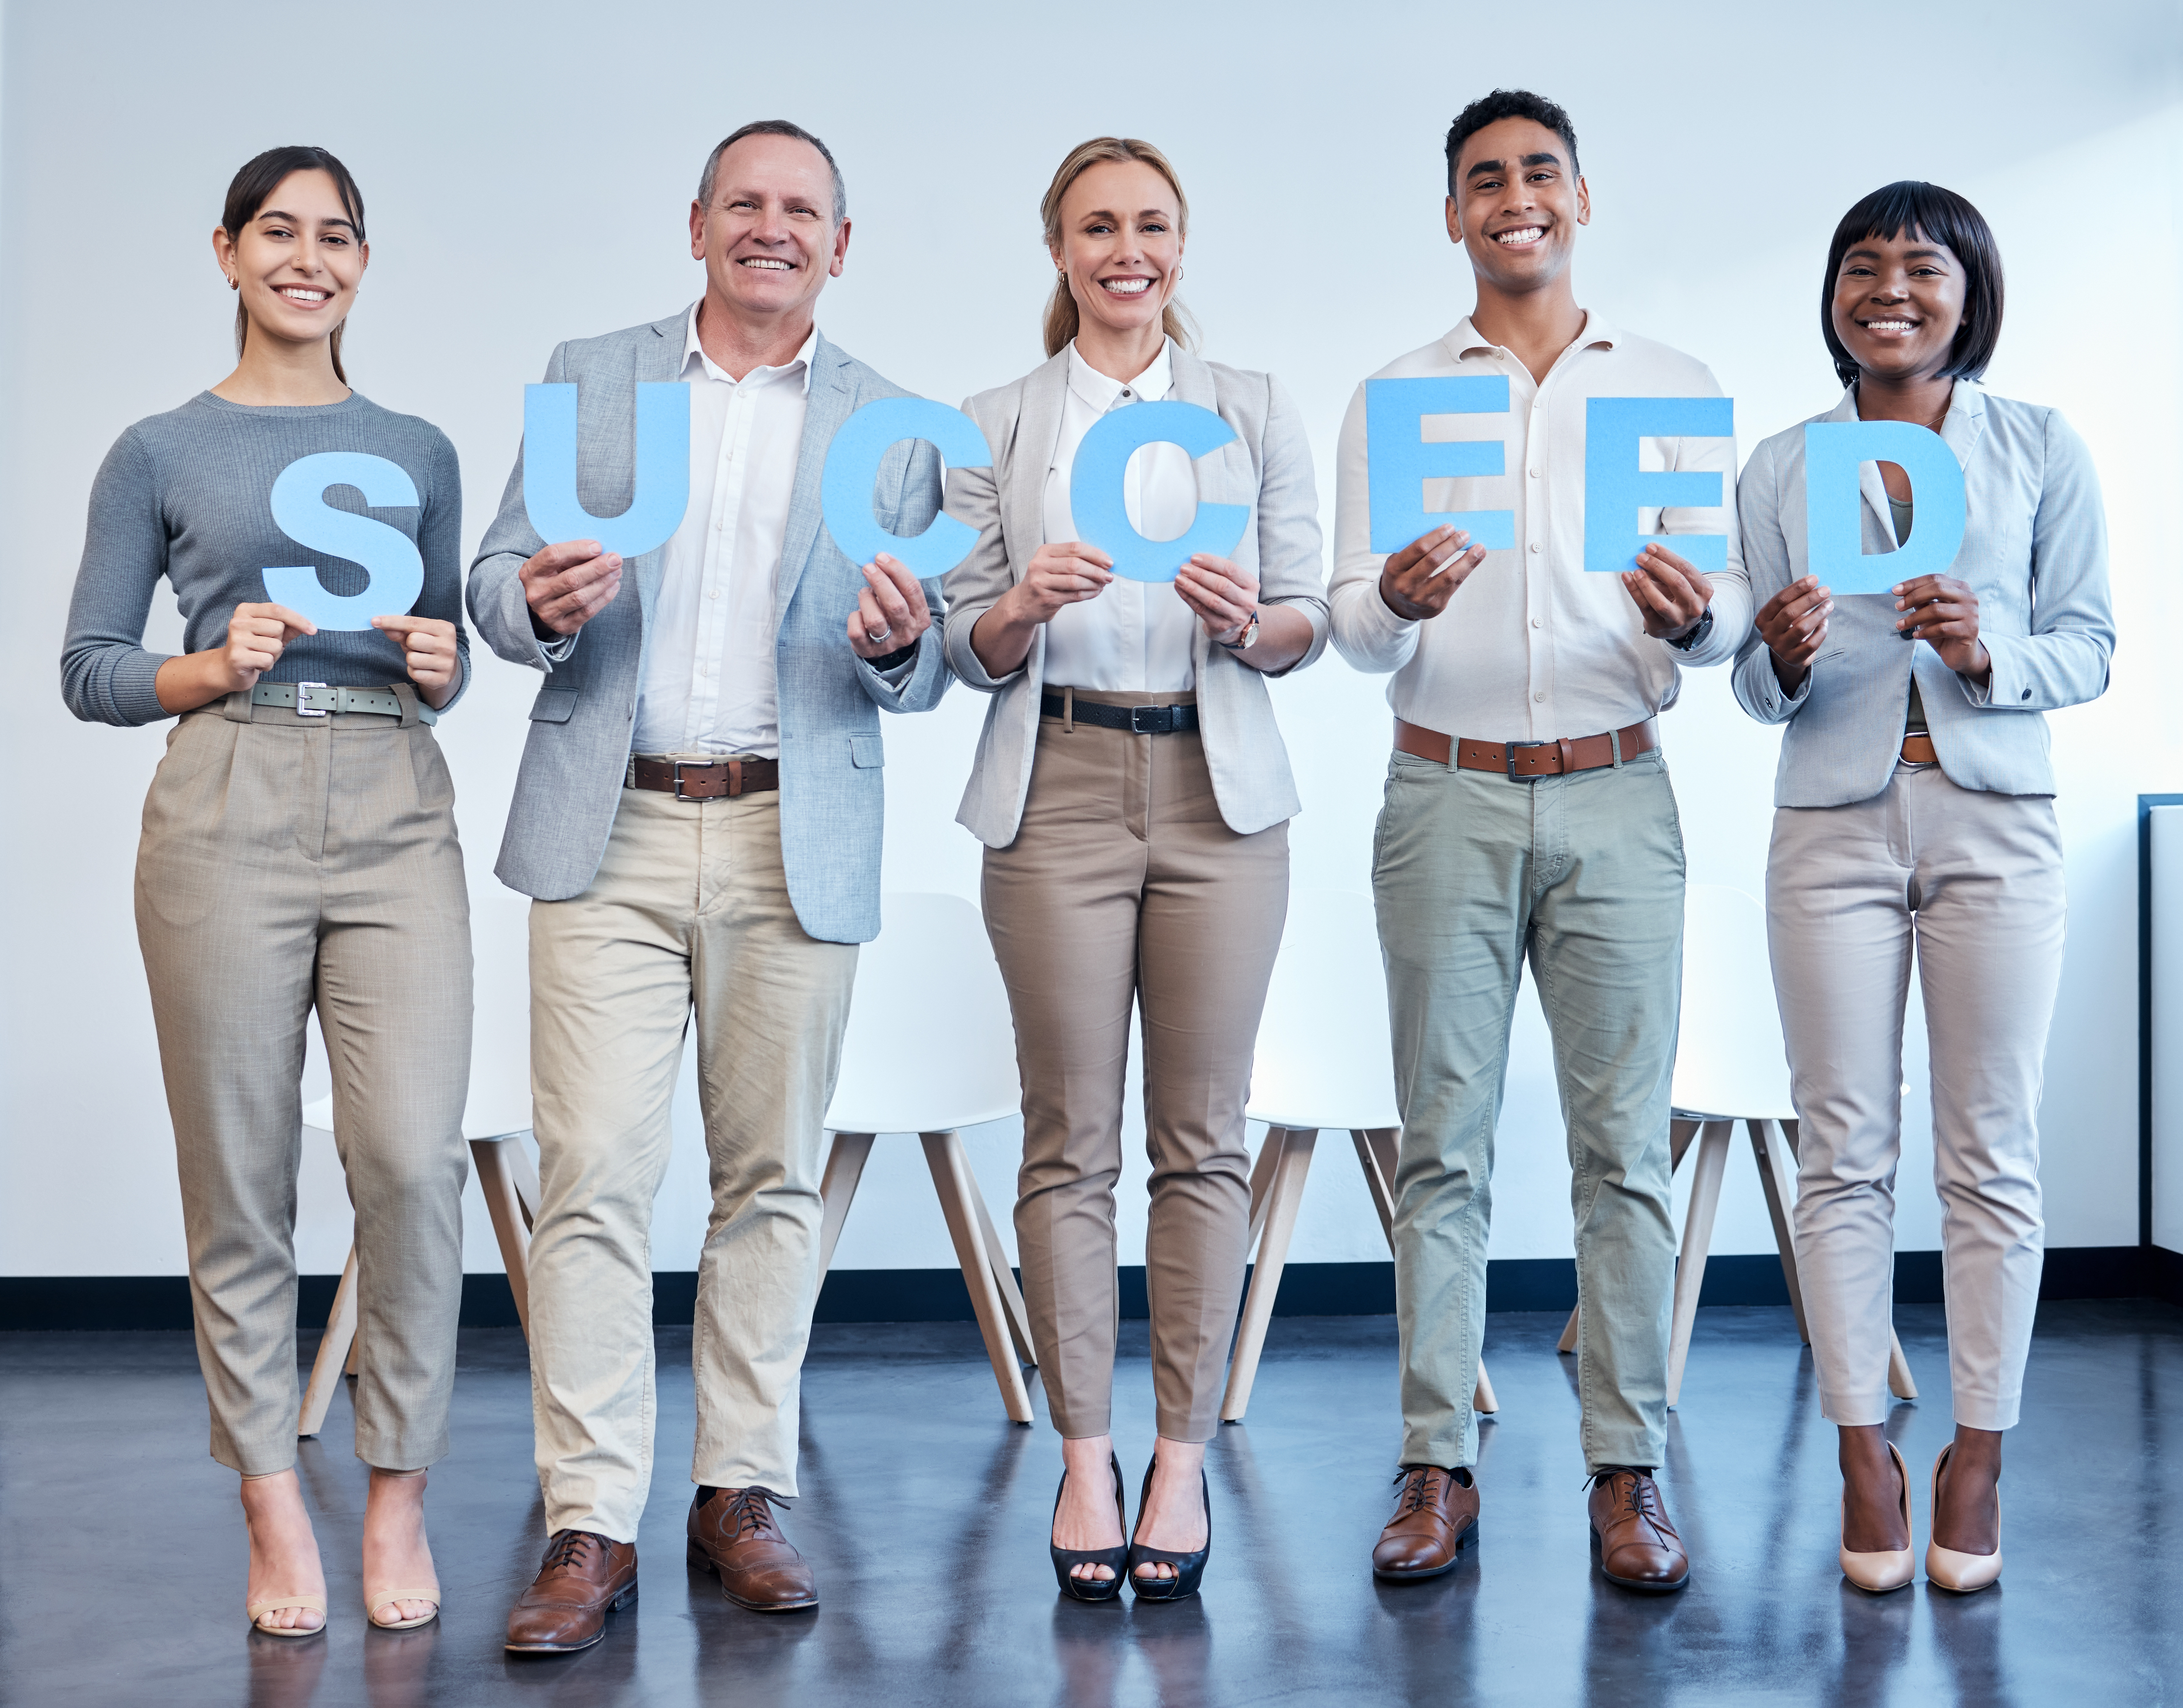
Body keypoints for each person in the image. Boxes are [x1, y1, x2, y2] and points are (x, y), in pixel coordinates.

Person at [468, 120, 950, 1652]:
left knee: (770, 1185)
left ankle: (740, 1490)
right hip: (605, 825)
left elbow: (928, 656)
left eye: (800, 209)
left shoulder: (890, 422)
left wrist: (896, 645)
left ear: (839, 244)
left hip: (784, 828)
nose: (770, 227)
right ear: (694, 228)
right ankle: (588, 1516)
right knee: (596, 1176)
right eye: (742, 203)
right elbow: (491, 580)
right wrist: (532, 605)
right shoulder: (591, 374)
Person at [1329, 89, 1753, 1593]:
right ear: (1450, 215)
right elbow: (1346, 635)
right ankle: (1435, 1461)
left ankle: (1624, 1473)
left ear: (1580, 199)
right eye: (1482, 181)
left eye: (1538, 174)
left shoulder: (1673, 386)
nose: (1513, 198)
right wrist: (1390, 597)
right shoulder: (1393, 395)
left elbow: (1722, 623)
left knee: (1621, 1153)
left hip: (1616, 789)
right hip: (1441, 788)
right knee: (1439, 1147)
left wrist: (1699, 618)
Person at [60, 146, 472, 1637]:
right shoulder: (158, 449)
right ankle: (270, 1503)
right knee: (239, 1178)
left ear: (364, 263)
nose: (311, 258)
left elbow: (442, 646)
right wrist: (204, 665)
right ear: (225, 252)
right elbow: (88, 667)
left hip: (389, 797)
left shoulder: (417, 447)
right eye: (280, 233)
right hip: (223, 793)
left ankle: (399, 1489)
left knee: (414, 1163)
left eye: (339, 237)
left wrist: (443, 660)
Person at [942, 136, 1327, 1602]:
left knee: (1203, 1134)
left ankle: (1180, 1449)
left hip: (1218, 791)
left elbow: (1303, 620)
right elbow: (958, 641)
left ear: (1181, 244)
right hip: (1056, 788)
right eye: (1096, 226)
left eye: (1151, 225)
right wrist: (1019, 607)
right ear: (1056, 247)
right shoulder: (995, 423)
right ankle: (1083, 1450)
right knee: (1067, 1137)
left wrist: (1255, 628)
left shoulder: (1252, 408)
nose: (1126, 249)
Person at [1732, 182, 2112, 1594]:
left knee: (1987, 1150)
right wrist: (1773, 644)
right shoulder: (1783, 464)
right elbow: (1752, 689)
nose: (1886, 286)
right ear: (1831, 295)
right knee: (1840, 1147)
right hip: (1828, 823)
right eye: (1859, 264)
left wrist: (1986, 648)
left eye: (1920, 266)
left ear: (1968, 295)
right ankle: (1859, 1450)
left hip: (1993, 821)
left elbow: (2089, 644)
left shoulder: (2035, 447)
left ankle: (1977, 1450)